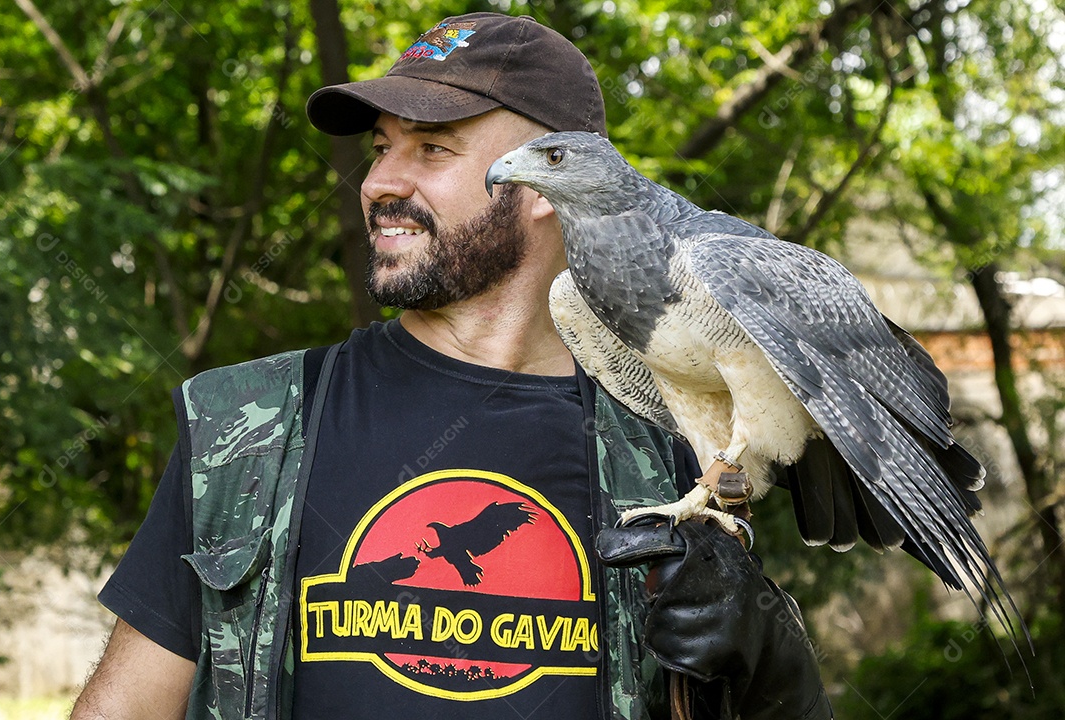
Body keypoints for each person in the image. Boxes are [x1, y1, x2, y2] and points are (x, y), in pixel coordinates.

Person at [71, 12, 829, 720]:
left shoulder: (673, 439)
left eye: (432, 148)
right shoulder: (247, 428)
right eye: (380, 148)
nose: (379, 183)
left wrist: (774, 670)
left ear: (542, 184)